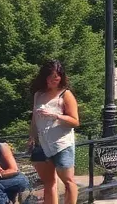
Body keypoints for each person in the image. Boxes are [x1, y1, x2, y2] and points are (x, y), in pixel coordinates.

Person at [29, 60, 79, 204]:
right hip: (42, 143)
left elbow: (75, 121)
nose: (53, 80)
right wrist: (32, 136)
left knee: (68, 181)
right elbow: (34, 119)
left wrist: (56, 115)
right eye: (50, 76)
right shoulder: (38, 95)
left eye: (56, 77)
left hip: (61, 144)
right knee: (48, 183)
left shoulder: (65, 94)